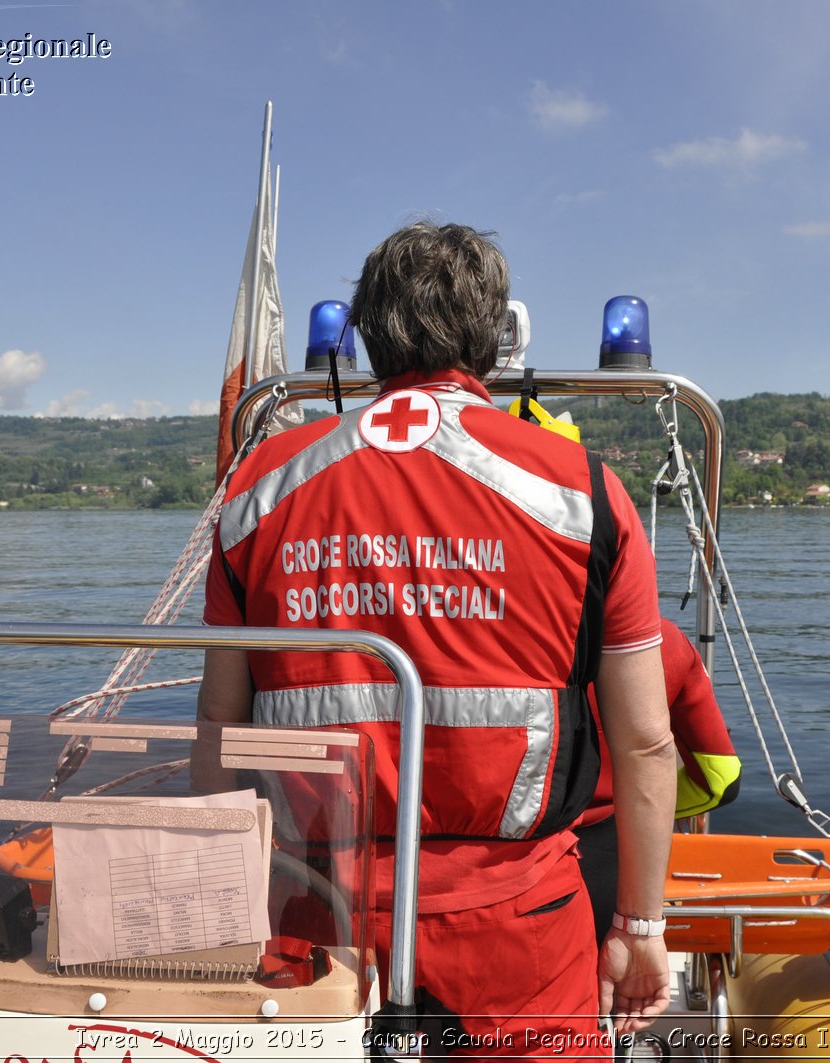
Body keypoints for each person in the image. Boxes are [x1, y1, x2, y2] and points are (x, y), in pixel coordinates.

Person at [196, 220, 676, 1056]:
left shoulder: (256, 491)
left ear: (369, 339)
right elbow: (644, 743)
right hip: (518, 935)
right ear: (492, 340)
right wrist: (640, 924)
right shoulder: (586, 493)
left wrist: (220, 906)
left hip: (312, 918)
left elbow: (218, 730)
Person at [575, 616, 743, 942]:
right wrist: (645, 810)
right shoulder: (663, 640)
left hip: (499, 859)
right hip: (610, 857)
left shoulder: (507, 629)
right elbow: (721, 779)